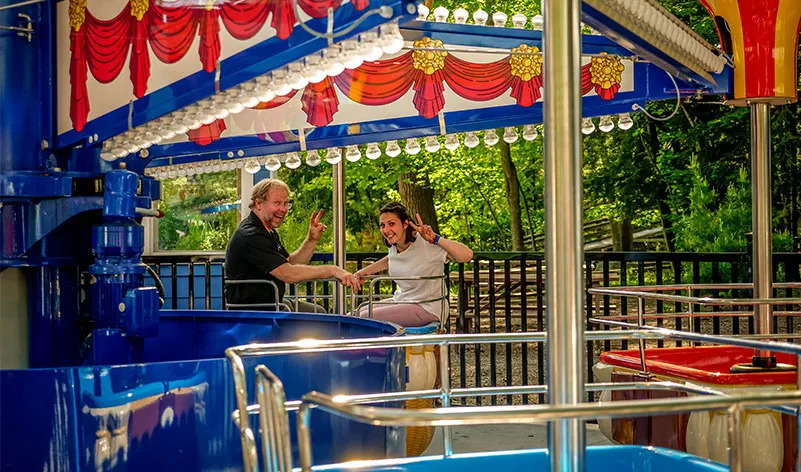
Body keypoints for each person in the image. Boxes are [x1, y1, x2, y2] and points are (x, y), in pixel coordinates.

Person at [225, 178, 361, 312]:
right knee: (317, 320)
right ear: (259, 203)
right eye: (277, 203)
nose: (283, 209)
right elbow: (288, 274)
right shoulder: (251, 235)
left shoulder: (267, 230)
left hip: (272, 303)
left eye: (286, 203)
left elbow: (290, 263)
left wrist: (311, 240)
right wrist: (332, 270)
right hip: (254, 311)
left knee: (317, 311)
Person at [354, 202, 473, 327]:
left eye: (392, 224)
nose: (386, 230)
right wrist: (363, 273)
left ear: (405, 224)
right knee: (356, 312)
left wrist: (435, 238)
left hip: (427, 307)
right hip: (404, 300)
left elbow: (467, 255)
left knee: (364, 316)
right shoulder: (395, 246)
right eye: (382, 225)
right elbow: (391, 259)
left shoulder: (427, 244)